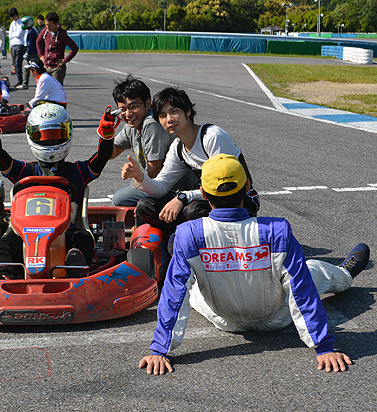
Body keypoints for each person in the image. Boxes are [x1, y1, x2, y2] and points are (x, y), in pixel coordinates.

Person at [139, 153, 370, 375]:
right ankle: (345, 274)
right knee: (309, 271)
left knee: (185, 288)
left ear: (203, 194)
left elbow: (174, 293)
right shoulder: (277, 230)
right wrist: (324, 347)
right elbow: (301, 290)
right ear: (248, 187)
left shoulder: (187, 234)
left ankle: (343, 274)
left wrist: (160, 350)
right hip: (277, 318)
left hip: (224, 319)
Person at [0, 102, 119, 279]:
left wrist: (106, 134)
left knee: (83, 239)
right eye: (43, 135)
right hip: (24, 232)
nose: (50, 141)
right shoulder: (24, 171)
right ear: (31, 136)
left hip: (65, 230)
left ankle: (75, 271)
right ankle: (3, 277)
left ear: (68, 133)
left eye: (56, 135)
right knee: (0, 245)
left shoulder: (77, 172)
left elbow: (102, 157)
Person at [121, 87, 259, 234]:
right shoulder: (178, 148)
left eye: (174, 111)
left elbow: (222, 186)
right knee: (145, 206)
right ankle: (166, 245)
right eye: (162, 115)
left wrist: (183, 197)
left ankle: (186, 240)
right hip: (207, 201)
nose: (169, 119)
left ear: (187, 111)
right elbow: (161, 187)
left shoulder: (213, 137)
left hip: (237, 202)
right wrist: (139, 176)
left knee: (193, 211)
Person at [109, 75, 175, 207]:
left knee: (120, 199)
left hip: (172, 187)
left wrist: (147, 198)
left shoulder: (152, 124)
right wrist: (106, 134)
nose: (128, 114)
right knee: (123, 197)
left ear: (148, 103)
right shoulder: (132, 125)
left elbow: (155, 168)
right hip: (159, 182)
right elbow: (112, 153)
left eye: (133, 106)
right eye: (122, 109)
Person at [36, 11, 78, 86]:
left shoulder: (62, 34)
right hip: (46, 67)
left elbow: (74, 48)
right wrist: (41, 55)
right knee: (43, 89)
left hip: (57, 68)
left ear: (56, 24)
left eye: (50, 25)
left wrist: (65, 60)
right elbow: (38, 42)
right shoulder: (45, 32)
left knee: (55, 90)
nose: (48, 27)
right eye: (46, 25)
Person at [16, 16, 39, 90]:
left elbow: (30, 44)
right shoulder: (31, 31)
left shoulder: (31, 32)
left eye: (25, 23)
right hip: (34, 52)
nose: (23, 25)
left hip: (33, 53)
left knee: (28, 68)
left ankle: (25, 84)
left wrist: (27, 53)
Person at [8, 8, 27, 88]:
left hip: (20, 44)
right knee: (15, 63)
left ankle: (20, 80)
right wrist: (10, 43)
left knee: (18, 62)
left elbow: (19, 34)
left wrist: (13, 34)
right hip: (14, 44)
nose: (13, 18)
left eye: (14, 16)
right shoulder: (12, 23)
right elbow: (10, 34)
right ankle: (19, 78)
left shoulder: (21, 22)